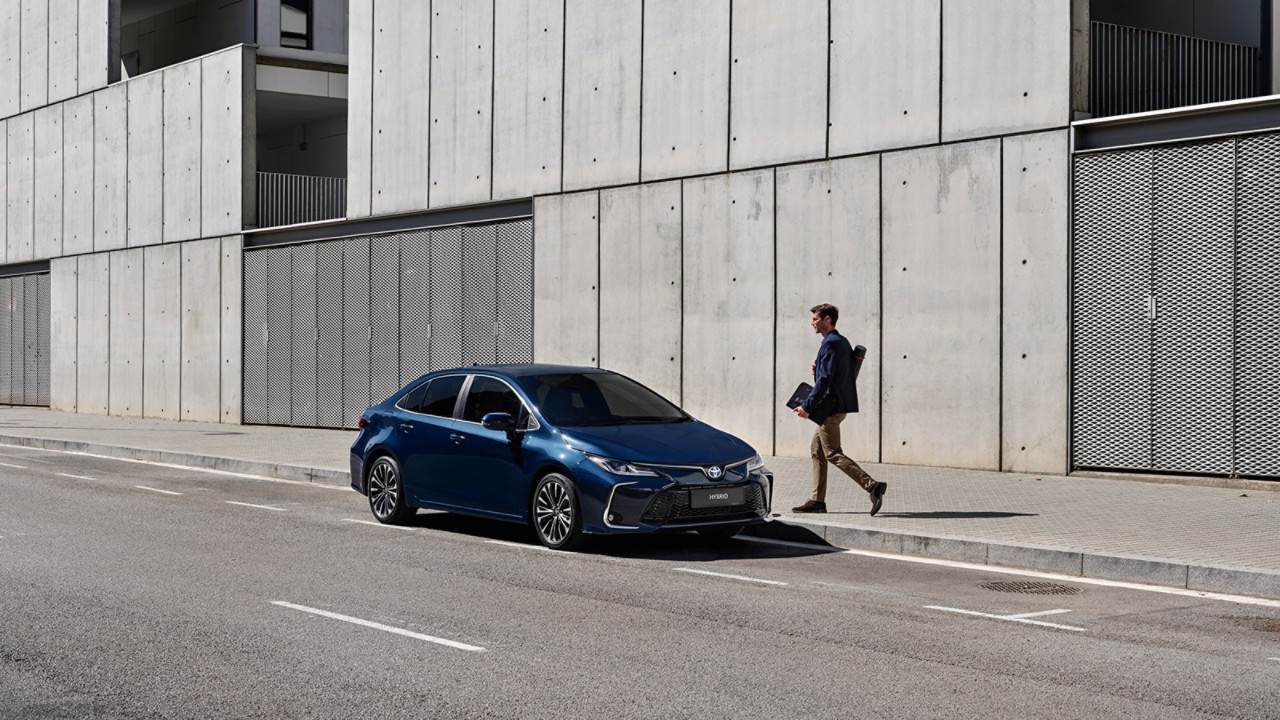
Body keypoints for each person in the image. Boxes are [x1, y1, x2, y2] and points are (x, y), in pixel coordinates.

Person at [792, 303, 887, 516]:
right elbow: (832, 376)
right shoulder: (840, 342)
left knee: (833, 453)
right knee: (817, 451)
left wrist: (807, 407)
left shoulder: (831, 344)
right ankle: (817, 501)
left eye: (815, 319)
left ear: (827, 319)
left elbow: (825, 381)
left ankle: (872, 486)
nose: (812, 323)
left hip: (829, 409)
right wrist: (817, 372)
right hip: (836, 406)